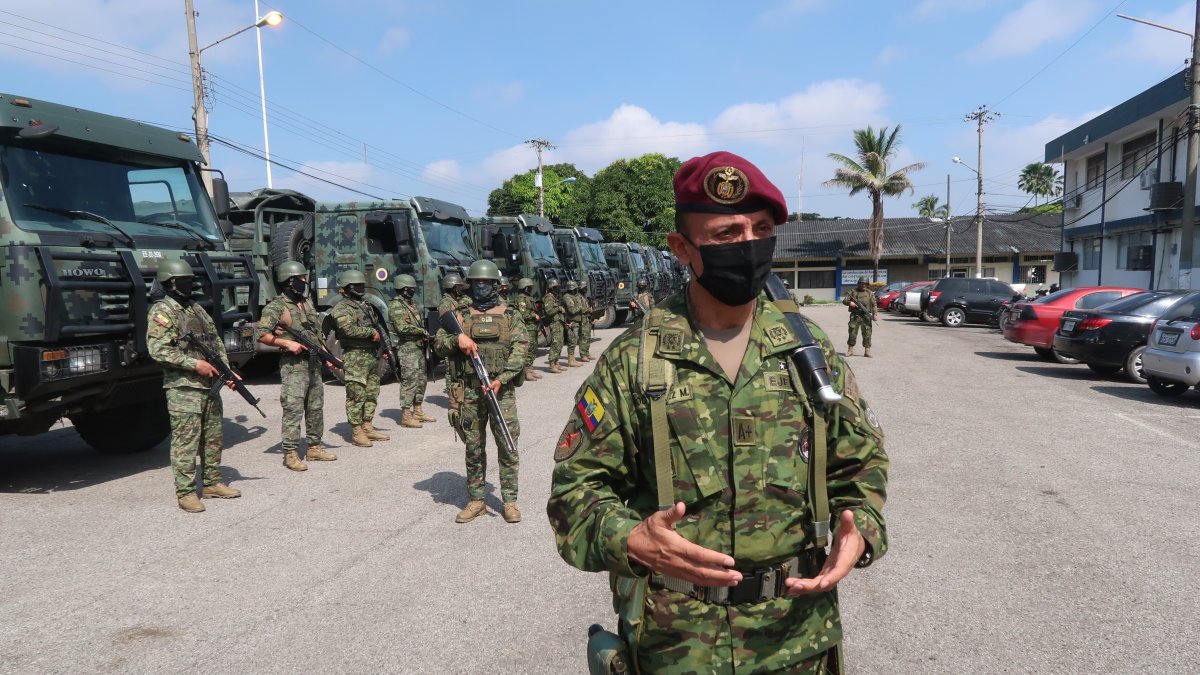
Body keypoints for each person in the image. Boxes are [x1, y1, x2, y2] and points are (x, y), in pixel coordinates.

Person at [547, 151, 889, 673]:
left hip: (797, 639)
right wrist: (631, 539)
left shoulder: (808, 350)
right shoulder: (635, 360)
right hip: (677, 643)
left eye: (761, 228)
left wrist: (860, 525)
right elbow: (574, 493)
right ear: (682, 248)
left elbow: (860, 462)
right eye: (727, 234)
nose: (750, 246)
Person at [434, 260, 529, 524]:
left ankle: (509, 502)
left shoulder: (509, 314)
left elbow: (521, 348)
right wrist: (457, 339)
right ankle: (477, 500)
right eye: (477, 283)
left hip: (501, 391)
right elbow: (438, 344)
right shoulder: (460, 315)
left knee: (508, 446)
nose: (481, 287)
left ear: (495, 285)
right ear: (470, 286)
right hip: (471, 392)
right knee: (474, 448)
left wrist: (502, 378)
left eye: (486, 283)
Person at [146, 259, 242, 512]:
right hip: (184, 387)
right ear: (170, 283)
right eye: (183, 281)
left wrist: (226, 369)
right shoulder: (161, 311)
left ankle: (212, 483)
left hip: (209, 385)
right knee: (185, 442)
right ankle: (186, 492)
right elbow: (159, 350)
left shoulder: (196, 309)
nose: (189, 285)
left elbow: (213, 342)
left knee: (213, 437)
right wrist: (193, 364)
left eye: (190, 281)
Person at [257, 261, 337, 471]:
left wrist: (327, 355)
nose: (304, 282)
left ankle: (314, 447)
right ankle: (291, 453)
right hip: (293, 367)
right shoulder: (276, 306)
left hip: (313, 363)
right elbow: (262, 335)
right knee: (293, 409)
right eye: (301, 279)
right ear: (289, 281)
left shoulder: (306, 302)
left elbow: (316, 333)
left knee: (315, 407)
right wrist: (286, 343)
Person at [331, 270, 389, 447]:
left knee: (372, 392)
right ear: (348, 287)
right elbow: (348, 330)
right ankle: (356, 431)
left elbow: (377, 328)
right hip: (355, 355)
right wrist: (370, 333)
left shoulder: (366, 305)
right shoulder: (341, 308)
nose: (361, 288)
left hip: (371, 355)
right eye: (357, 285)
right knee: (356, 394)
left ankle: (367, 425)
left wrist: (383, 347)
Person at [389, 274, 436, 429]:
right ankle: (406, 415)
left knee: (421, 379)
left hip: (417, 347)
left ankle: (418, 410)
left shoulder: (411, 304)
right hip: (407, 348)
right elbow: (401, 328)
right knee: (409, 381)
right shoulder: (396, 306)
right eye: (410, 288)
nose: (413, 290)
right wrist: (421, 331)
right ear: (403, 289)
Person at [843, 277, 879, 357]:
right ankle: (850, 350)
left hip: (866, 316)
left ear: (867, 284)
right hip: (855, 316)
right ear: (859, 283)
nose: (863, 285)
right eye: (862, 283)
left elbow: (874, 304)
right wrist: (850, 303)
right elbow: (844, 301)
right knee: (852, 333)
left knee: (867, 334)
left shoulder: (870, 293)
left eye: (865, 284)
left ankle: (867, 351)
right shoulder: (853, 292)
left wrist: (875, 314)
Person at [515, 277, 542, 381]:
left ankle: (530, 369)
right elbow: (522, 313)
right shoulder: (521, 298)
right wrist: (533, 315)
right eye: (529, 287)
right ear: (525, 287)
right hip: (527, 326)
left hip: (533, 327)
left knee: (533, 348)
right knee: (528, 349)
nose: (530, 289)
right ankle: (526, 371)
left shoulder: (529, 298)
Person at [542, 277, 566, 374]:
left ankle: (556, 362)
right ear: (551, 287)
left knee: (560, 343)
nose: (558, 288)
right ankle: (552, 364)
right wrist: (559, 308)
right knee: (555, 343)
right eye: (556, 287)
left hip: (559, 322)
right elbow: (549, 311)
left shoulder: (554, 297)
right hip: (554, 323)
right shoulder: (549, 297)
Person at [562, 279, 583, 368]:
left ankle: (572, 358)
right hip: (571, 321)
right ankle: (570, 360)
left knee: (574, 340)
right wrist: (580, 306)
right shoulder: (567, 297)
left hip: (576, 321)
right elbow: (572, 310)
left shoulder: (573, 296)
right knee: (572, 341)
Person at [577, 280, 595, 362]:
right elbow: (580, 308)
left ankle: (587, 353)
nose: (586, 289)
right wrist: (589, 310)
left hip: (587, 318)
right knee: (583, 337)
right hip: (582, 318)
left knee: (587, 337)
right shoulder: (578, 297)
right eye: (584, 288)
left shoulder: (585, 297)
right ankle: (583, 355)